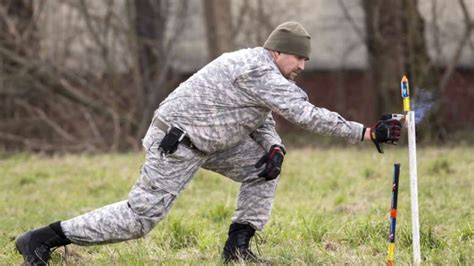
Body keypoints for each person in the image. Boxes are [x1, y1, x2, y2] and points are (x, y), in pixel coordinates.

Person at [15, 21, 401, 264]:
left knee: (263, 169)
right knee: (138, 220)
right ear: (278, 51)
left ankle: (237, 250)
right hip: (177, 143)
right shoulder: (258, 69)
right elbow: (304, 113)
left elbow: (260, 115)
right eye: (298, 58)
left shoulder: (265, 73)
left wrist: (275, 146)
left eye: (306, 60)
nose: (302, 66)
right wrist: (365, 133)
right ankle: (43, 239)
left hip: (213, 142)